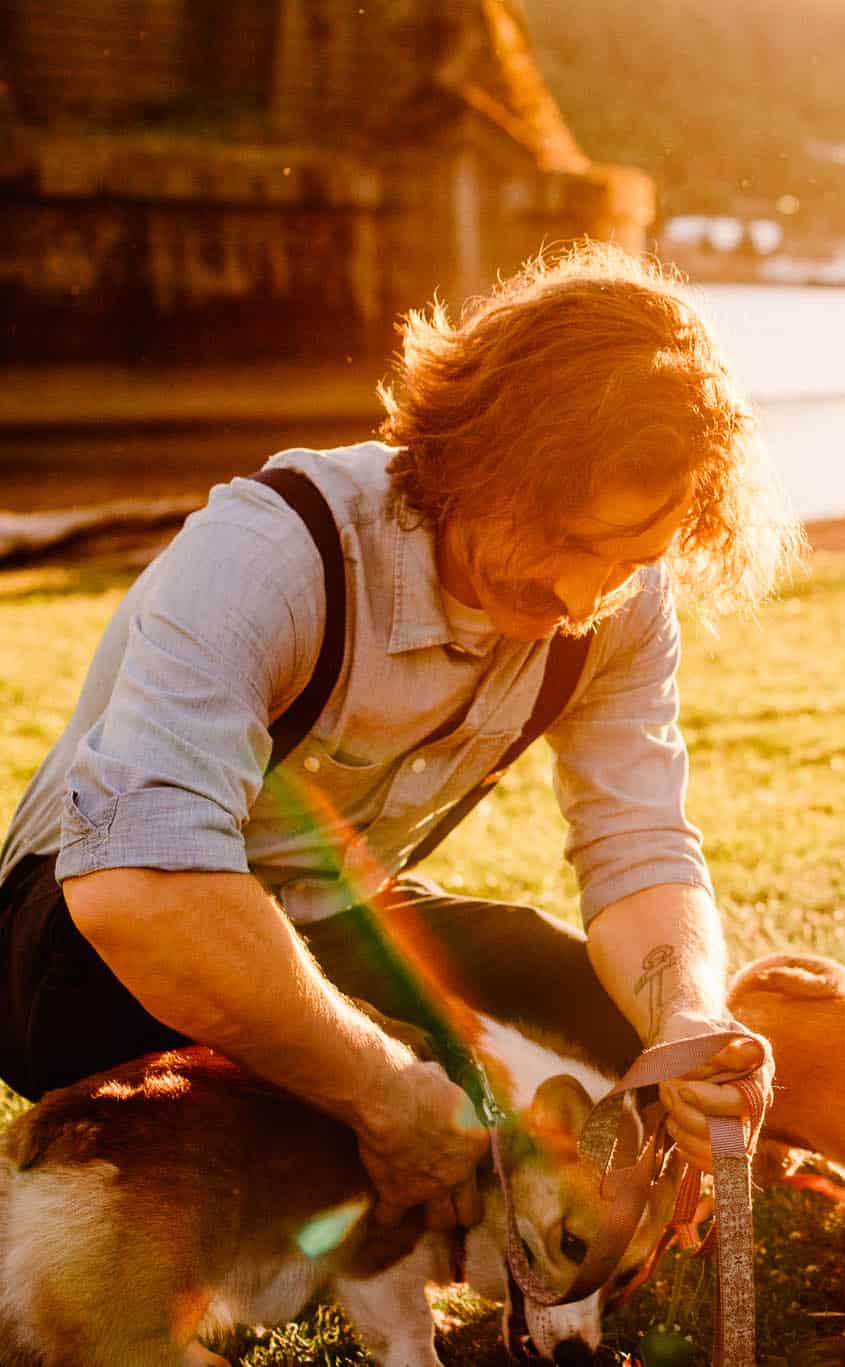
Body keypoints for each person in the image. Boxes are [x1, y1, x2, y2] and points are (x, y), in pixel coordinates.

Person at [0, 243, 800, 1229]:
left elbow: (637, 846)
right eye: (560, 537)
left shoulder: (617, 598)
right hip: (84, 946)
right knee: (414, 1081)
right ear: (473, 454)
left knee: (586, 999)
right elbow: (138, 893)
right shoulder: (268, 553)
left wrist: (684, 1018)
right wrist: (377, 1084)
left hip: (329, 912)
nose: (581, 596)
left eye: (629, 554)